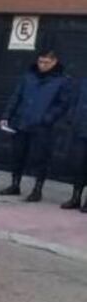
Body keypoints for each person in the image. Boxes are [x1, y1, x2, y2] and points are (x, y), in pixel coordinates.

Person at [0, 48, 70, 202]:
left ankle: (37, 190)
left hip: (42, 127)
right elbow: (16, 97)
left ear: (54, 62)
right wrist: (6, 116)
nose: (42, 65)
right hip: (21, 122)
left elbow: (63, 104)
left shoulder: (62, 81)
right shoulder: (28, 77)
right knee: (17, 155)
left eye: (46, 62)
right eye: (40, 61)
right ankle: (15, 185)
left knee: (40, 158)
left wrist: (47, 118)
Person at [61, 77, 87, 212]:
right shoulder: (82, 82)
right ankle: (75, 197)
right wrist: (72, 118)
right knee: (78, 165)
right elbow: (74, 102)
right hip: (80, 130)